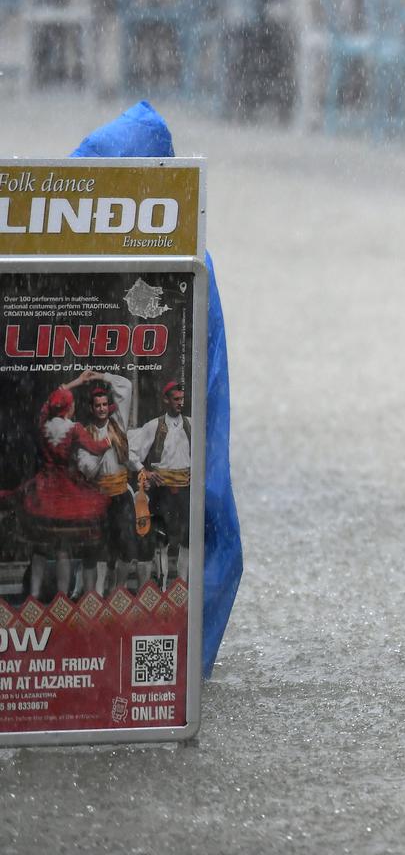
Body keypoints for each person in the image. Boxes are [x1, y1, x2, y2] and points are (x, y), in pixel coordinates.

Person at [71, 101, 242, 678]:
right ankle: (174, 672)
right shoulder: (189, 266)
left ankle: (161, 672)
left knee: (167, 538)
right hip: (129, 479)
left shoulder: (189, 273)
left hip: (150, 478)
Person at [17, 371, 114, 599]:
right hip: (65, 492)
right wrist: (111, 439)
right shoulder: (74, 428)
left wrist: (75, 382)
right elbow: (96, 447)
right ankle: (62, 596)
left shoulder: (43, 423)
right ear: (69, 408)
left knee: (39, 547)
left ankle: (33, 594)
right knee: (63, 548)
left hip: (43, 491)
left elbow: (49, 402)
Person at [75, 373, 136, 597]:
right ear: (92, 409)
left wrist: (100, 376)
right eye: (97, 405)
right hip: (98, 498)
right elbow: (87, 469)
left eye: (104, 404)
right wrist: (101, 448)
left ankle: (117, 589)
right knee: (98, 548)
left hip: (121, 493)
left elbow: (126, 385)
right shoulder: (85, 433)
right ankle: (97, 594)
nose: (101, 409)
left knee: (127, 547)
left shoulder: (117, 423)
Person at [130, 381, 192, 587]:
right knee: (160, 539)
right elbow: (132, 452)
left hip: (186, 490)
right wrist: (144, 471)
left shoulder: (192, 425)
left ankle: (182, 584)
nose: (180, 403)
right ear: (166, 400)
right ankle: (162, 586)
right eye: (176, 399)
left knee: (188, 539)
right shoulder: (153, 426)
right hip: (162, 491)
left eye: (182, 399)